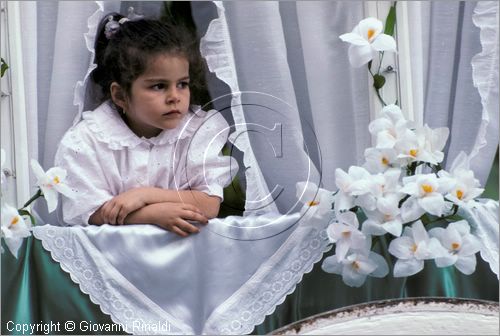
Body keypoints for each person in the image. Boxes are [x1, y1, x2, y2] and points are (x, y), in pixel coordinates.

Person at [55, 11, 238, 237]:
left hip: (182, 254)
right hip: (117, 259)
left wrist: (144, 195)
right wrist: (152, 215)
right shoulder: (88, 140)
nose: (175, 96)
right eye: (159, 86)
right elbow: (90, 211)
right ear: (120, 95)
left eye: (182, 84)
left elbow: (209, 204)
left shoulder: (197, 130)